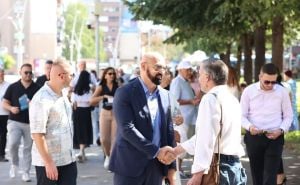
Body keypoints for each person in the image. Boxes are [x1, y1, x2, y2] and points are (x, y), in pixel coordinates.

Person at [174, 59, 246, 185]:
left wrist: (197, 175)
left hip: (218, 169)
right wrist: (177, 150)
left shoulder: (210, 99)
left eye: (199, 74)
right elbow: (206, 135)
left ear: (207, 77)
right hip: (234, 167)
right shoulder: (231, 98)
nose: (198, 78)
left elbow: (206, 139)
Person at [109, 52, 177, 185]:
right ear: (144, 66)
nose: (161, 72)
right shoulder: (125, 92)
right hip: (129, 166)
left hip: (156, 168)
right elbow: (127, 129)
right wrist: (156, 152)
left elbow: (168, 132)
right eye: (157, 67)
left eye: (164, 68)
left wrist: (172, 167)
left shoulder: (165, 96)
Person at [240, 63, 293, 185]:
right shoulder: (248, 91)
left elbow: (288, 116)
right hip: (253, 137)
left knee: (270, 176)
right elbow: (241, 115)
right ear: (260, 77)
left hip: (275, 138)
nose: (270, 85)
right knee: (257, 175)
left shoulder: (282, 92)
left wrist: (281, 130)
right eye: (267, 82)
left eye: (273, 82)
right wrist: (249, 127)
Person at [29, 59, 77, 185]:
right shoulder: (41, 99)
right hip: (50, 164)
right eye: (72, 75)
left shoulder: (64, 93)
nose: (73, 78)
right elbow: (38, 135)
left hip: (68, 160)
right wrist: (49, 162)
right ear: (61, 76)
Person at [2, 63, 40, 182]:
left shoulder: (37, 87)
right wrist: (11, 108)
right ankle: (14, 164)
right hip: (15, 121)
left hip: (31, 123)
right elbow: (4, 102)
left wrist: (33, 105)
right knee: (13, 144)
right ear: (20, 73)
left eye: (30, 72)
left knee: (28, 149)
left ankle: (26, 172)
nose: (28, 75)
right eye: (26, 72)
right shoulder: (13, 87)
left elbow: (42, 105)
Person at [170, 60, 200, 177]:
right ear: (180, 70)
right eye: (187, 69)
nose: (189, 71)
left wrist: (194, 100)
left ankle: (180, 169)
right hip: (182, 119)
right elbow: (175, 100)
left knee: (187, 143)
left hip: (190, 117)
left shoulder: (185, 81)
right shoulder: (177, 82)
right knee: (181, 143)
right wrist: (191, 101)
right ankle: (177, 170)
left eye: (190, 69)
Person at [90, 67, 119, 170]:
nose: (112, 76)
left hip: (116, 113)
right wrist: (103, 97)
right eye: (110, 74)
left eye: (113, 74)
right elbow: (92, 100)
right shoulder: (101, 87)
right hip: (105, 112)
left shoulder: (118, 85)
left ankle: (112, 159)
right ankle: (107, 155)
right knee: (104, 138)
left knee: (115, 138)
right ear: (105, 75)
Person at [71, 70, 93, 162]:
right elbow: (90, 101)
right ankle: (81, 151)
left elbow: (73, 102)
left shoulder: (75, 90)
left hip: (77, 111)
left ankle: (82, 152)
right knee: (85, 130)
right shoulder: (89, 89)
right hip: (86, 111)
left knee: (78, 130)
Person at [0, 67, 10, 162]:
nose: (1, 75)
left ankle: (2, 154)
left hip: (4, 114)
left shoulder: (8, 86)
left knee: (3, 135)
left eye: (2, 73)